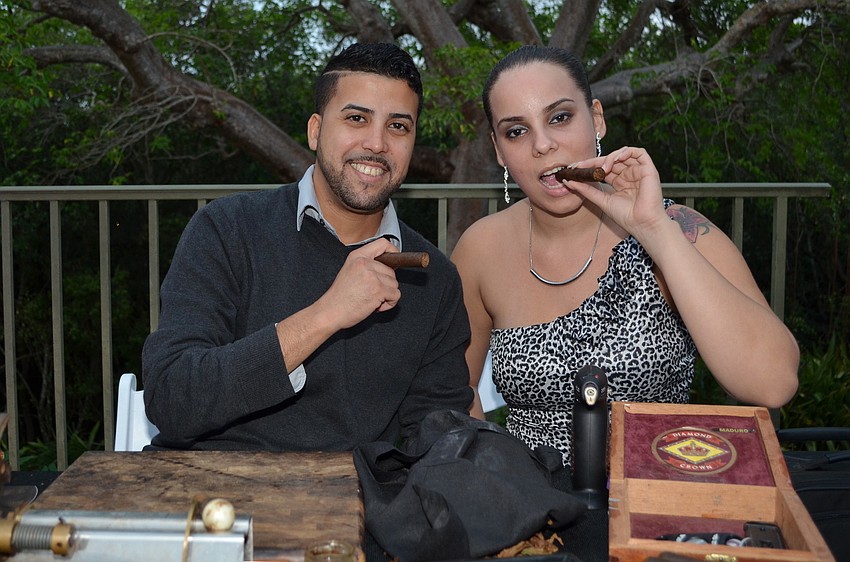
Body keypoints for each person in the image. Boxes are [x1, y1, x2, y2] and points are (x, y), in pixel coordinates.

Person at [451, 45, 799, 468]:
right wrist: (495, 474)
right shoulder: (481, 248)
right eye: (516, 131)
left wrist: (653, 230)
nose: (543, 144)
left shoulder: (678, 228)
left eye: (560, 117)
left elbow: (773, 382)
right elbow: (457, 386)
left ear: (596, 118)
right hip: (534, 510)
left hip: (657, 501)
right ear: (499, 150)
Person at [142, 43, 473, 451]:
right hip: (216, 495)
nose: (377, 143)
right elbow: (172, 398)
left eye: (398, 126)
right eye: (356, 118)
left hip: (360, 503)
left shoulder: (432, 277)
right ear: (316, 130)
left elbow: (435, 433)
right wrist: (327, 314)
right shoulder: (226, 229)